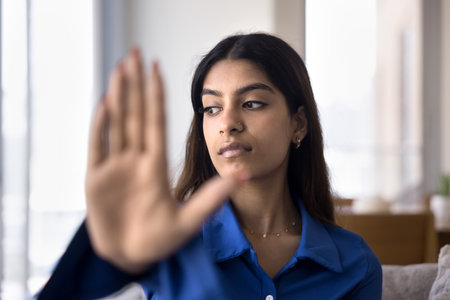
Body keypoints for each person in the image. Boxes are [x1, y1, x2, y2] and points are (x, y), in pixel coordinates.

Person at [37, 33, 382, 299]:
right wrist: (105, 262)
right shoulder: (165, 238)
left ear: (299, 124)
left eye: (252, 103)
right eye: (212, 108)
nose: (227, 123)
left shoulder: (354, 263)